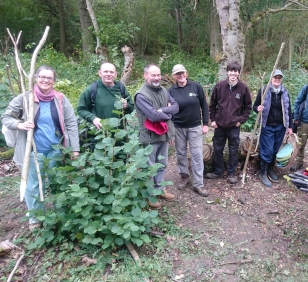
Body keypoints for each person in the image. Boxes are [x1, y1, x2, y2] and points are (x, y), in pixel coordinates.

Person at [1, 66, 80, 230]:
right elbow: (6, 117)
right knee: (34, 185)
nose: (45, 80)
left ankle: (61, 215)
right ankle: (35, 219)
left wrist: (74, 148)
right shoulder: (25, 98)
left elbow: (71, 123)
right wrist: (20, 124)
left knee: (58, 183)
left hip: (56, 150)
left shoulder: (60, 99)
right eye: (42, 77)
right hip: (32, 151)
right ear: (36, 78)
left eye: (49, 78)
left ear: (54, 81)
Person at [134, 64, 179, 209]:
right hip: (150, 137)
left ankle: (159, 189)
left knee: (162, 164)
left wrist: (164, 110)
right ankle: (149, 195)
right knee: (150, 167)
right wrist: (169, 113)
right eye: (153, 75)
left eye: (158, 75)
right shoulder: (141, 95)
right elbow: (152, 115)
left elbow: (176, 106)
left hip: (164, 135)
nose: (156, 78)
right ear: (145, 76)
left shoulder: (164, 90)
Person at [206, 61, 252, 184]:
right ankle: (218, 171)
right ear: (227, 72)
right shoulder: (219, 86)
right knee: (217, 148)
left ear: (238, 73)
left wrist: (240, 120)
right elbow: (212, 105)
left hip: (234, 126)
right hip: (219, 125)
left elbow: (248, 107)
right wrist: (213, 120)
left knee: (233, 150)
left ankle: (232, 173)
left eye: (235, 71)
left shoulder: (243, 88)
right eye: (231, 71)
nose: (233, 73)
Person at [168, 64, 210, 197]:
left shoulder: (196, 86)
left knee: (197, 154)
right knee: (180, 153)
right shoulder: (170, 91)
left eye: (182, 73)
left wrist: (206, 124)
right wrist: (170, 131)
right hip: (178, 127)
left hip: (195, 126)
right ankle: (184, 177)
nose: (181, 75)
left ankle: (198, 183)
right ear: (174, 76)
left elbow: (204, 105)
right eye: (178, 74)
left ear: (186, 73)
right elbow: (167, 111)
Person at [253, 69, 293, 187]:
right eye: (275, 78)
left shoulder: (284, 92)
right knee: (267, 150)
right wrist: (258, 109)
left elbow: (288, 110)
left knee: (275, 150)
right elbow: (255, 106)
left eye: (279, 78)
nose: (277, 80)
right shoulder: (264, 90)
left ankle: (271, 169)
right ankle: (263, 172)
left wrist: (290, 126)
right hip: (267, 126)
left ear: (281, 80)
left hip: (280, 127)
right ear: (271, 79)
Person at [77, 62, 134, 130]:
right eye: (105, 71)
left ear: (116, 74)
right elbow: (81, 109)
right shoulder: (92, 90)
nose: (108, 74)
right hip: (99, 132)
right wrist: (93, 118)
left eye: (111, 72)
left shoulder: (121, 88)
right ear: (100, 73)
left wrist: (126, 106)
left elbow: (132, 108)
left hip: (119, 133)